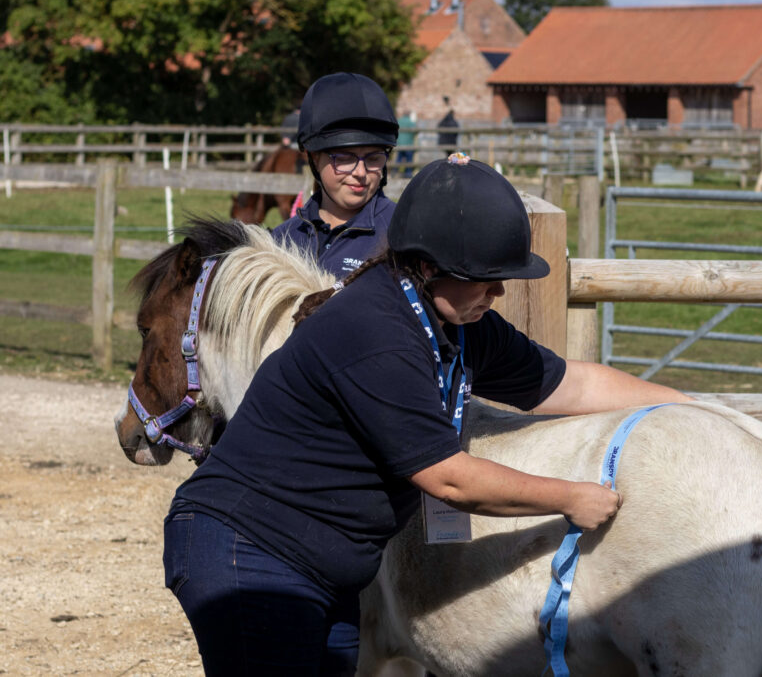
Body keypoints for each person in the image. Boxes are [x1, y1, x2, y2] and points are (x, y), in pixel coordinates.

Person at [163, 155, 694, 675]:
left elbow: (569, 383)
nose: (500, 291)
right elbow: (450, 480)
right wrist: (571, 497)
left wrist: (691, 407)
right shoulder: (376, 332)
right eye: (485, 276)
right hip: (248, 550)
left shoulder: (459, 318)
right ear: (427, 265)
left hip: (320, 563)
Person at [272, 72, 399, 278]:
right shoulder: (282, 240)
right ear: (314, 158)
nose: (360, 173)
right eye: (344, 158)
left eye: (374, 158)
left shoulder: (400, 238)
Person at [395, 110, 416, 177]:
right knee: (409, 160)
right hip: (408, 144)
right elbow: (415, 131)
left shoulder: (399, 121)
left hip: (400, 144)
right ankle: (408, 174)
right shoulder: (410, 122)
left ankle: (394, 172)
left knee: (398, 159)